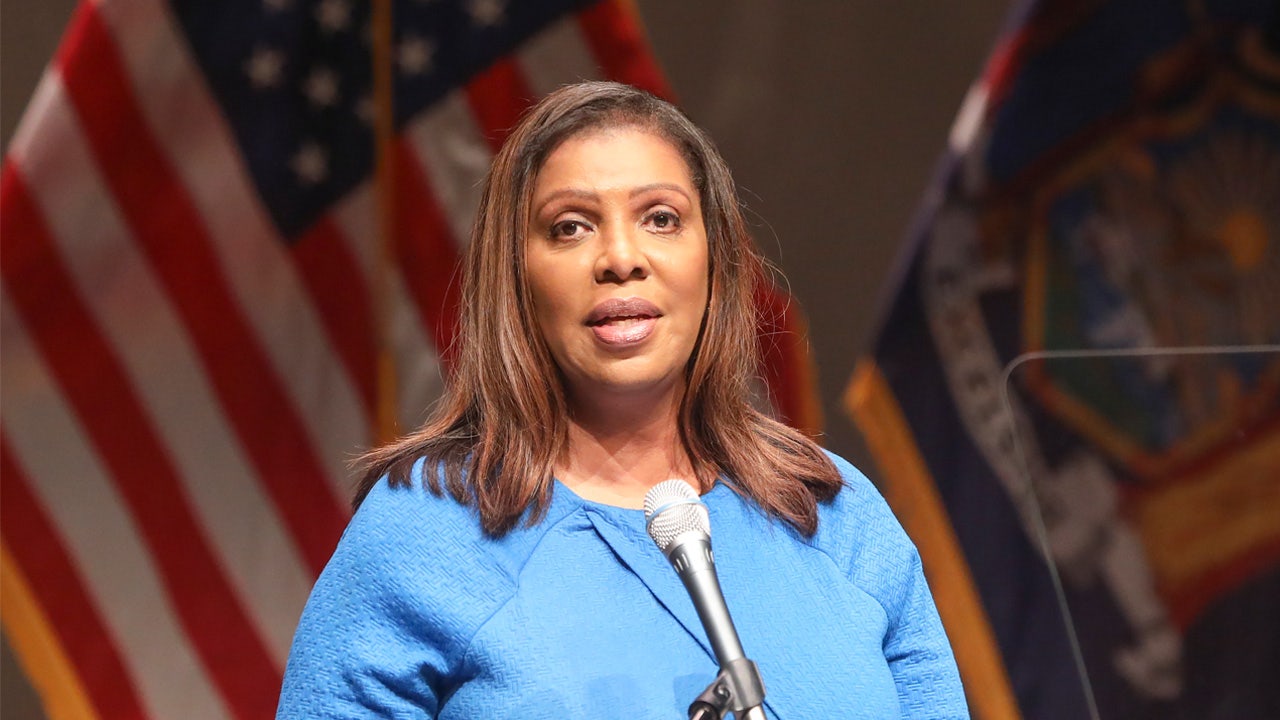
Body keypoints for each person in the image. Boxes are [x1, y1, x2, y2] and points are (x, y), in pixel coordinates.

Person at [275, 81, 968, 719]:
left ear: (715, 260)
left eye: (661, 218)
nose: (621, 257)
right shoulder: (427, 533)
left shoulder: (834, 515)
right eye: (570, 226)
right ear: (515, 276)